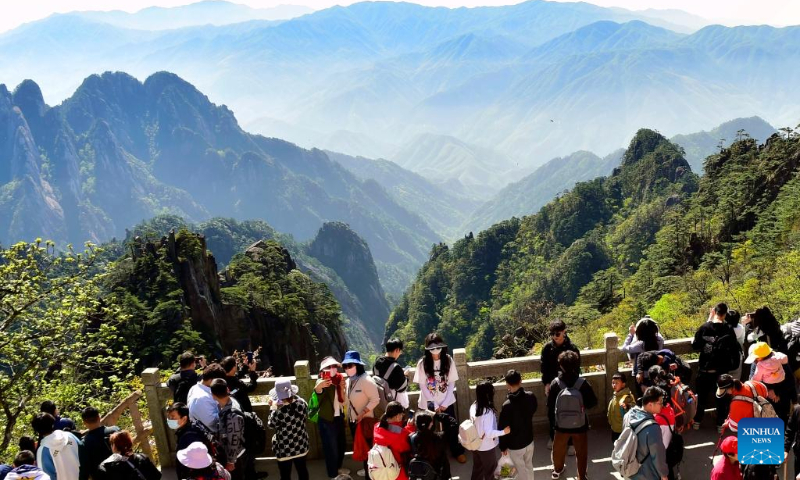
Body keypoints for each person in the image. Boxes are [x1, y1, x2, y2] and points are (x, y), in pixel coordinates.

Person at [413, 334, 466, 463]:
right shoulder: (423, 363)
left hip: (446, 401)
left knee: (451, 427)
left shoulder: (448, 360)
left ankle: (456, 451)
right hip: (429, 402)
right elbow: (422, 385)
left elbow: (452, 382)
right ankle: (431, 454)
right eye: (432, 348)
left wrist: (446, 402)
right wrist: (434, 404)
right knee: (428, 430)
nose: (435, 351)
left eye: (438, 347)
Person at [692, 303, 741, 431]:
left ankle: (697, 421)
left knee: (701, 397)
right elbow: (734, 348)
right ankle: (720, 424)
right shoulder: (728, 329)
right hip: (721, 371)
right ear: (725, 314)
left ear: (714, 312)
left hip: (704, 369)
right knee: (721, 398)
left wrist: (708, 320)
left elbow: (695, 345)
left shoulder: (704, 328)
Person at [548, 350, 597, 480]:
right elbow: (592, 402)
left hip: (561, 425)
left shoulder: (555, 383)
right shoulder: (583, 383)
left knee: (558, 450)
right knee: (581, 452)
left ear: (561, 365)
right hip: (580, 424)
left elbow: (550, 405)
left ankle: (557, 470)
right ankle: (581, 476)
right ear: (576, 365)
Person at [540, 320, 580, 451]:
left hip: (569, 387)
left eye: (557, 333)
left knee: (570, 413)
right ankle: (554, 438)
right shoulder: (547, 349)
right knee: (552, 413)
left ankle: (571, 443)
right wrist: (546, 384)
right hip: (553, 386)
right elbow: (544, 368)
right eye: (552, 333)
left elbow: (576, 369)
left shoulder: (573, 349)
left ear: (564, 332)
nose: (554, 336)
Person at [343, 350, 379, 477]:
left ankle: (371, 474)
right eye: (346, 366)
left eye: (350, 365)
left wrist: (363, 413)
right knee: (362, 450)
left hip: (365, 423)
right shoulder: (348, 381)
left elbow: (375, 399)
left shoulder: (366, 380)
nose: (348, 368)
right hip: (354, 422)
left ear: (358, 365)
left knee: (368, 451)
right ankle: (368, 471)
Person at [267, 378, 310, 480]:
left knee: (285, 475)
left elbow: (270, 424)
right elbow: (305, 413)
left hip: (284, 448)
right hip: (301, 444)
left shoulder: (278, 411)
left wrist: (272, 408)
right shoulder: (301, 403)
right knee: (303, 471)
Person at [498, 369, 536, 480]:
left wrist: (503, 446)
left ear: (507, 384)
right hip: (529, 440)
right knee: (528, 465)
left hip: (515, 444)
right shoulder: (531, 396)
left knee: (520, 470)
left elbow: (503, 428)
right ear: (521, 381)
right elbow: (533, 410)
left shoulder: (507, 405)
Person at [167, 402, 222, 479]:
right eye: (169, 417)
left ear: (184, 418)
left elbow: (193, 464)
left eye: (173, 417)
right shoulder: (194, 425)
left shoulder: (190, 437)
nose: (169, 420)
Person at [314, 356, 348, 479]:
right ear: (323, 369)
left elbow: (342, 401)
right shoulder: (321, 381)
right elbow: (317, 393)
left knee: (341, 445)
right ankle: (333, 474)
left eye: (334, 366)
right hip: (327, 420)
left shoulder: (339, 379)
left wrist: (342, 388)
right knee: (330, 448)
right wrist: (320, 387)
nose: (332, 369)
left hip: (338, 417)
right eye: (329, 367)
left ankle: (338, 468)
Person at [625, 387, 668, 480]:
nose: (662, 405)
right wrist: (664, 475)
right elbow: (657, 455)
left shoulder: (629, 415)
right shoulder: (653, 428)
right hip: (647, 473)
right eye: (660, 402)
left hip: (630, 468)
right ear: (650, 404)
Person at [470, 381, 509, 480]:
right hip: (486, 447)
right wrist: (504, 432)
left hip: (475, 445)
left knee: (477, 469)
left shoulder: (473, 406)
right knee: (491, 471)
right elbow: (489, 433)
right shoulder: (487, 412)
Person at [210, 379, 247, 480]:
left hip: (236, 456)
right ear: (227, 389)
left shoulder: (232, 415)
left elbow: (234, 439)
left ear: (213, 395)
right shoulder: (229, 402)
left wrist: (231, 461)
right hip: (230, 453)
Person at [746, 341, 791, 421]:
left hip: (780, 398)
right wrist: (769, 390)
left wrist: (776, 393)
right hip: (769, 398)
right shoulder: (778, 358)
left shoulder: (759, 365)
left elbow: (755, 381)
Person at [32, 412, 83, 480]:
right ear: (52, 424)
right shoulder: (69, 436)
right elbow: (84, 456)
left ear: (37, 431)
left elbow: (47, 477)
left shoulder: (43, 451)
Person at [649, 367, 679, 480]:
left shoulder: (658, 418)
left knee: (663, 471)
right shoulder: (669, 409)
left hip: (662, 450)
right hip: (669, 445)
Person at [373, 402, 414, 480]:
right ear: (397, 416)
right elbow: (408, 446)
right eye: (402, 415)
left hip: (381, 469)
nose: (402, 417)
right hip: (397, 471)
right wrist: (410, 427)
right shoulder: (401, 434)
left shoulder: (377, 427)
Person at [95, 431, 160, 480]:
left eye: (111, 444)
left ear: (114, 447)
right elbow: (157, 476)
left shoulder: (106, 467)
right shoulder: (142, 457)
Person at [621, 316, 664, 391]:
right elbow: (657, 334)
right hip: (656, 373)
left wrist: (631, 334)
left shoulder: (640, 344)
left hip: (642, 376)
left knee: (644, 398)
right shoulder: (660, 340)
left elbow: (624, 348)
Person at [409, 411, 450, 480]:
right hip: (437, 474)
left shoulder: (412, 438)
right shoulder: (439, 438)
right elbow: (452, 424)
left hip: (421, 473)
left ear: (416, 423)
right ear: (430, 424)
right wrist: (437, 415)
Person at [80, 406, 120, 478]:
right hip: (121, 473)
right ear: (99, 417)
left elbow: (86, 466)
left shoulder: (84, 442)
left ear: (84, 422)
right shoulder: (115, 430)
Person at [188, 363, 227, 433]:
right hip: (207, 437)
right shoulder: (202, 398)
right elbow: (211, 423)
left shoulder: (194, 388)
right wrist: (225, 408)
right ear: (211, 380)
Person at [373, 338, 410, 409]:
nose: (400, 354)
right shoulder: (395, 367)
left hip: (381, 400)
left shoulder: (376, 362)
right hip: (394, 403)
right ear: (397, 350)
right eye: (400, 351)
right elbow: (402, 388)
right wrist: (405, 375)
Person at [607, 372, 635, 442]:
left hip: (623, 429)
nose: (614, 385)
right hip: (614, 428)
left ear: (623, 384)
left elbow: (634, 407)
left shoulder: (627, 396)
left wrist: (627, 406)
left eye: (617, 383)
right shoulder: (615, 396)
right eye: (613, 383)